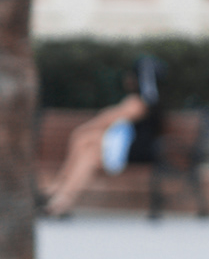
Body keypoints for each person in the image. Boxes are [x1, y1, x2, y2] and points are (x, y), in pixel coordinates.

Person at [41, 83, 147, 217]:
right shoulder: (138, 101)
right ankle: (61, 195)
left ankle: (60, 193)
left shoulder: (141, 102)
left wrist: (85, 128)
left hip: (133, 153)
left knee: (87, 148)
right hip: (122, 149)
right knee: (85, 146)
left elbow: (111, 117)